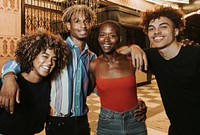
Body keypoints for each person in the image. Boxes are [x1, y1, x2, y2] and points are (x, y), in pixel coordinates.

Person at [0, 5, 147, 135]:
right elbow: (20, 62)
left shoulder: (93, 58)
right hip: (57, 122)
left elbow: (103, 88)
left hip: (82, 121)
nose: (83, 25)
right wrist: (9, 77)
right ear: (68, 26)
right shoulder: (57, 50)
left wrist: (133, 102)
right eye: (77, 21)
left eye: (87, 21)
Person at [123, 6, 200, 135]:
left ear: (176, 31)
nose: (156, 32)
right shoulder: (151, 56)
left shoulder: (195, 55)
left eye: (163, 27)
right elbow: (115, 55)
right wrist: (133, 47)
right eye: (151, 28)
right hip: (177, 129)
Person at [0, 31, 69, 134]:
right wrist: (9, 76)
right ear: (32, 55)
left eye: (54, 59)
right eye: (45, 56)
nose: (50, 63)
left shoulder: (49, 83)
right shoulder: (10, 83)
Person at [89, 20, 147, 135]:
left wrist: (140, 103)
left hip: (135, 120)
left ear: (119, 39)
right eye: (102, 35)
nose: (106, 40)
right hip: (108, 123)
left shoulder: (131, 61)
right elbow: (87, 90)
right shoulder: (94, 65)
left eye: (112, 36)